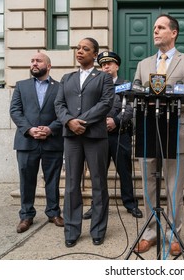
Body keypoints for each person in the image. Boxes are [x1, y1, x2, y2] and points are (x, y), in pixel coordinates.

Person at [133, 14, 184, 256]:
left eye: (161, 27)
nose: (155, 31)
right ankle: (150, 232)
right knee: (148, 186)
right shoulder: (143, 64)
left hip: (175, 133)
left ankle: (174, 233)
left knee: (174, 187)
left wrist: (176, 100)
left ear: (173, 33)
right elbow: (134, 93)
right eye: (154, 27)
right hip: (148, 132)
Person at [54, 37, 114, 248]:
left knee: (98, 183)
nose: (79, 51)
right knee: (71, 184)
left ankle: (98, 229)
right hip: (71, 138)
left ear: (95, 54)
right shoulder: (66, 78)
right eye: (78, 48)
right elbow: (59, 104)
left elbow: (106, 103)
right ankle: (72, 229)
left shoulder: (103, 78)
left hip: (95, 137)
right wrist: (69, 121)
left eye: (85, 49)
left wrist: (83, 121)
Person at [82, 51, 143, 220]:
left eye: (109, 64)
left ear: (117, 66)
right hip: (98, 136)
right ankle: (96, 205)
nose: (106, 67)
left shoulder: (126, 85)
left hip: (120, 135)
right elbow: (88, 107)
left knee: (125, 171)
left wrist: (116, 121)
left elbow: (131, 108)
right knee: (98, 173)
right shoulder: (95, 85)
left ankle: (130, 204)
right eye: (103, 65)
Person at [10, 52, 64, 233]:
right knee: (26, 180)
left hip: (52, 141)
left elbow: (64, 113)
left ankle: (53, 212)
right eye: (32, 60)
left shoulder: (60, 87)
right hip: (26, 141)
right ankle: (26, 216)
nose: (34, 63)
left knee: (53, 179)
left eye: (38, 61)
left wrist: (50, 129)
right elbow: (15, 111)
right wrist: (29, 129)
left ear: (48, 66)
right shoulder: (21, 86)